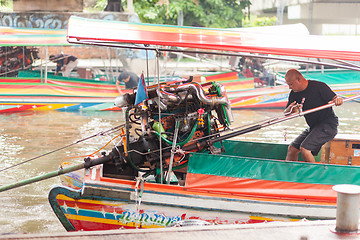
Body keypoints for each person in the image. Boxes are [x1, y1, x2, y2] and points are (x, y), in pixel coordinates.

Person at [283, 69, 343, 163]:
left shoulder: (319, 87)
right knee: (292, 148)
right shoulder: (294, 93)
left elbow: (335, 99)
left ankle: (314, 176)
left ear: (299, 79)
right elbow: (286, 112)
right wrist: (291, 109)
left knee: (305, 149)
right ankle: (288, 174)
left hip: (328, 125)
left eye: (291, 84)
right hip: (313, 127)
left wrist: (338, 100)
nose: (289, 87)